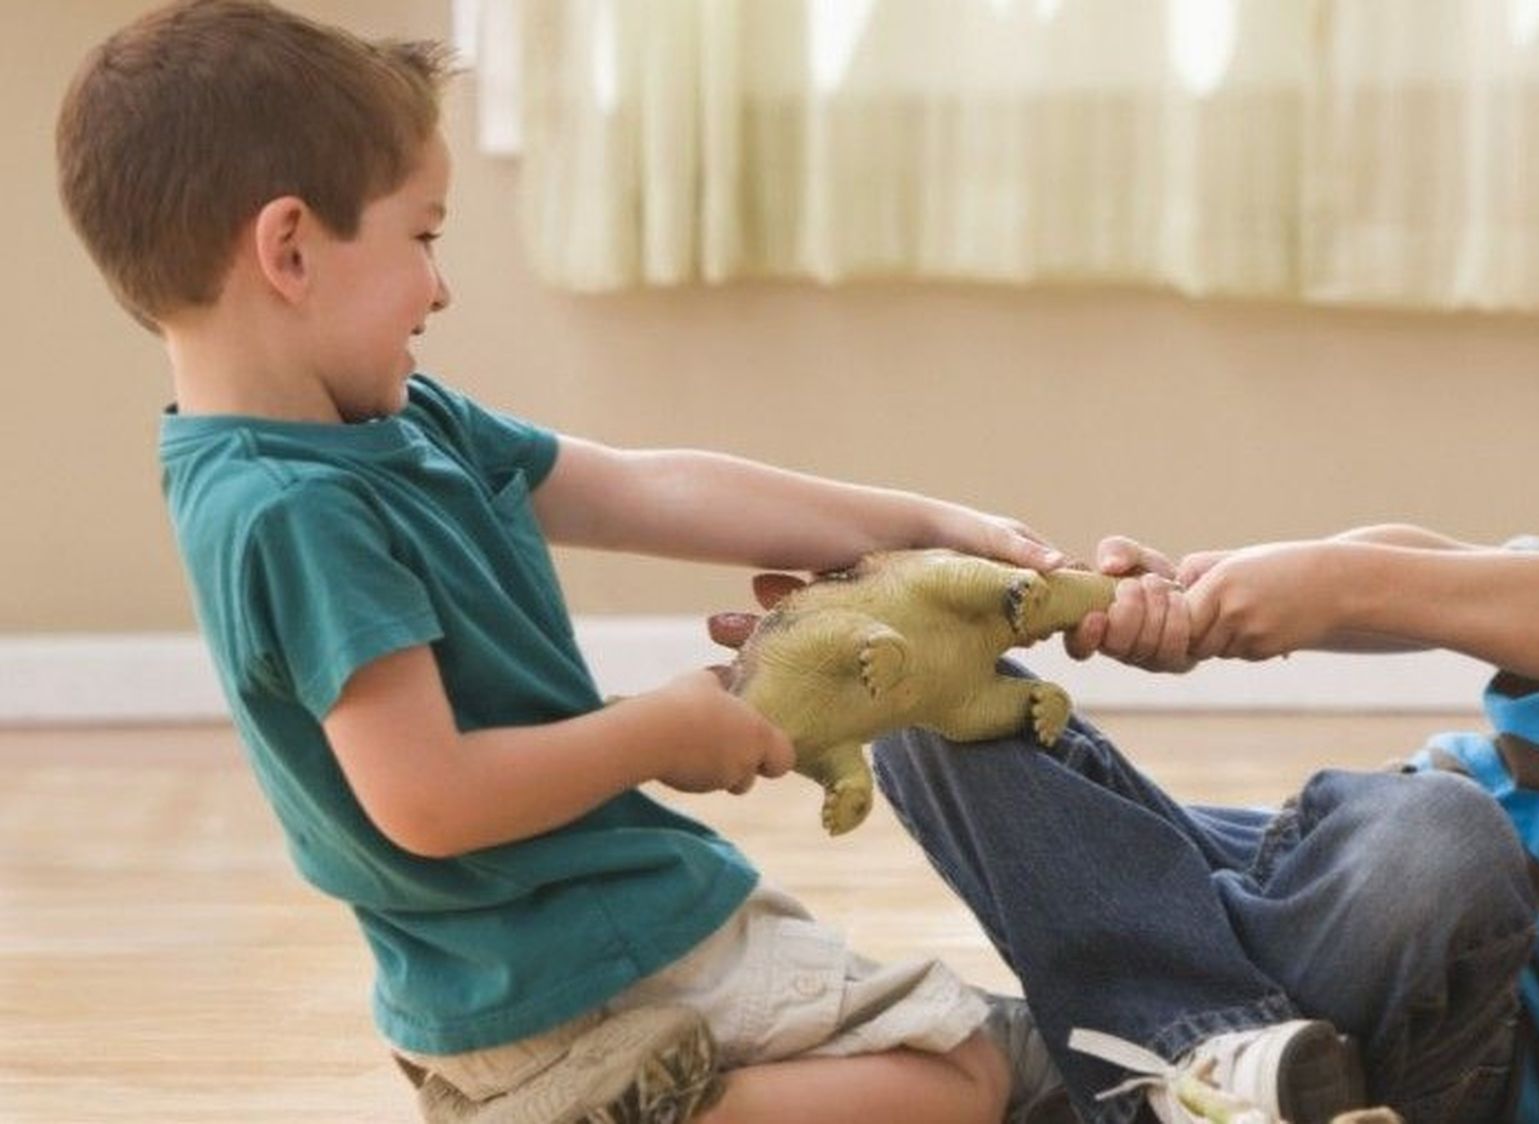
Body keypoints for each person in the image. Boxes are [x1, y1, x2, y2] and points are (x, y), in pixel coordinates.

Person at [54, 3, 1070, 1121]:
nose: (439, 288)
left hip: (495, 987)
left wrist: (922, 523)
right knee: (981, 1068)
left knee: (978, 1054)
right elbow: (429, 800)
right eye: (423, 238)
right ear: (290, 249)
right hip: (584, 954)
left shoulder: (390, 428)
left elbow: (642, 488)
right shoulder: (298, 509)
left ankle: (585, 1095)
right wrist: (661, 730)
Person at [873, 219, 1539, 1124]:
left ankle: (1123, 1046)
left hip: (1471, 1021)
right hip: (1307, 903)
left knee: (1440, 834)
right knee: (929, 705)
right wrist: (1212, 590)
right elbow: (1445, 565)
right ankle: (1198, 1062)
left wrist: (1341, 584)